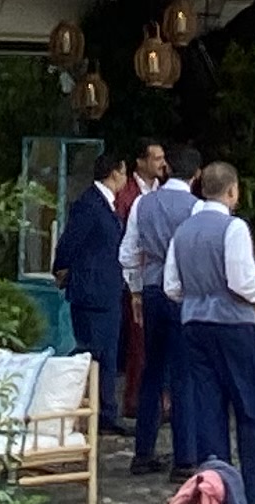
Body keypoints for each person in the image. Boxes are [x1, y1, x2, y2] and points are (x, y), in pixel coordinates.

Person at [167, 159, 255, 504]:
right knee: (251, 408)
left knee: (209, 409)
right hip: (233, 325)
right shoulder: (233, 229)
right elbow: (242, 283)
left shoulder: (182, 231)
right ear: (233, 191)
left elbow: (172, 286)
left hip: (194, 324)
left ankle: (217, 492)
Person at [118, 137, 195, 474]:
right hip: (183, 295)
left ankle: (143, 451)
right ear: (198, 174)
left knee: (151, 371)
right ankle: (185, 457)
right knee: (183, 375)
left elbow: (128, 253)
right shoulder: (194, 208)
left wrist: (135, 291)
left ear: (167, 167)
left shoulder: (143, 205)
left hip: (150, 288)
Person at [52, 143, 135, 437]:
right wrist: (62, 270)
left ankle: (105, 412)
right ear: (115, 172)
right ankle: (93, 408)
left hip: (106, 289)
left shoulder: (105, 204)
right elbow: (69, 242)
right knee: (93, 351)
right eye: (124, 172)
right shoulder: (90, 204)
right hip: (92, 290)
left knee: (107, 354)